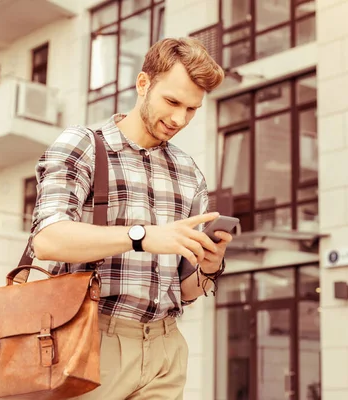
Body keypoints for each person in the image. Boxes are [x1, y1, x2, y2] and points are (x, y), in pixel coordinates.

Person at [28, 37, 231, 400]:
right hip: (88, 340)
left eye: (191, 109)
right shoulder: (84, 145)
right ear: (143, 84)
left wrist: (208, 268)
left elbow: (183, 291)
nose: (178, 119)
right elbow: (48, 239)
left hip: (165, 349)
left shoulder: (189, 173)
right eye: (172, 102)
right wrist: (140, 236)